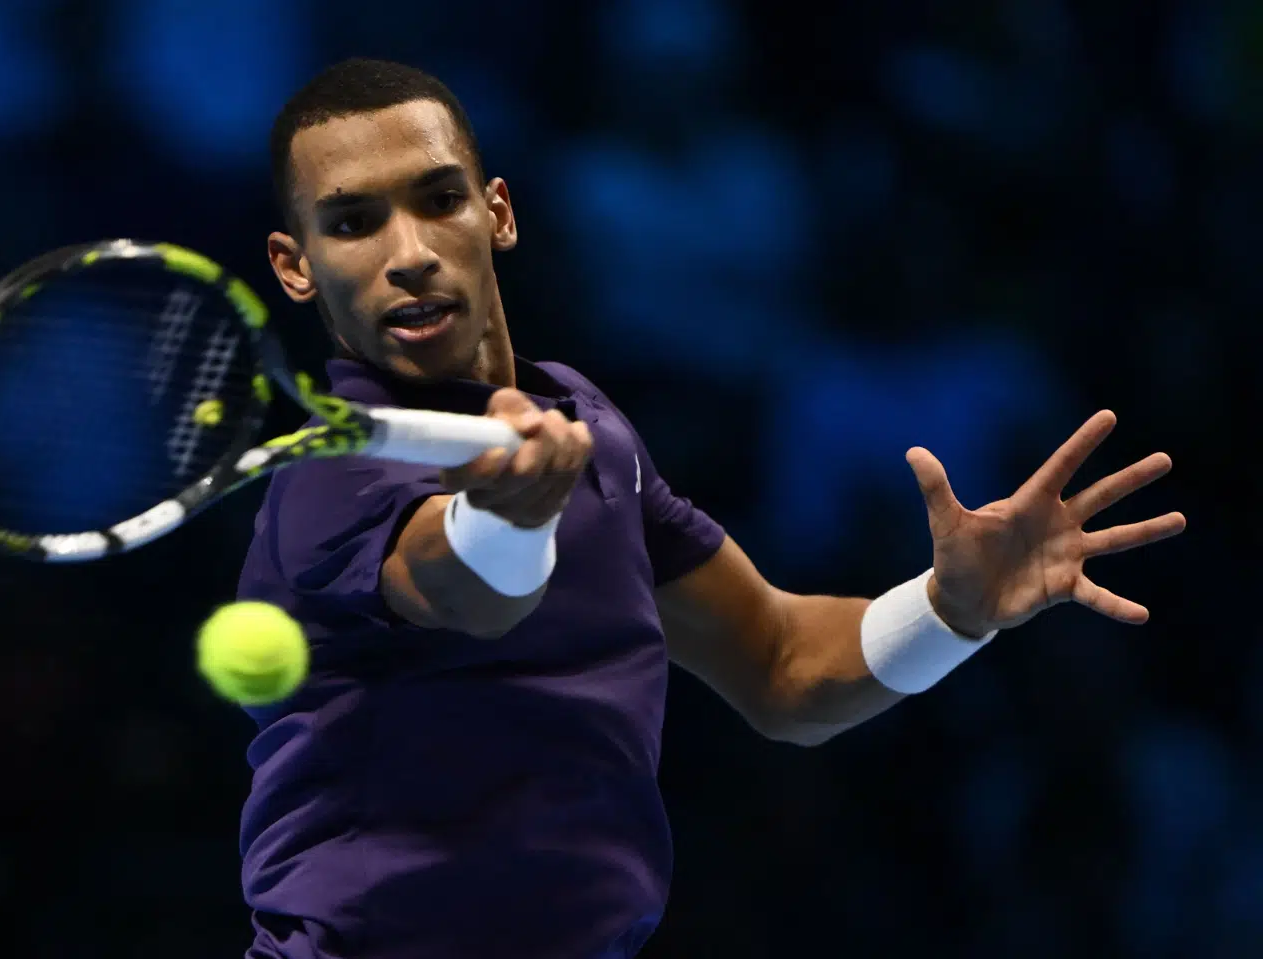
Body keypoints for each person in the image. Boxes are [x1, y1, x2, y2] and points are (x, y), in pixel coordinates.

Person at [235, 57, 1186, 959]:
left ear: (499, 213)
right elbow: (473, 596)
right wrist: (510, 517)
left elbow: (779, 664)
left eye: (439, 200)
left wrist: (948, 611)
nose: (408, 253)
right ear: (296, 264)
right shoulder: (333, 470)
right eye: (353, 222)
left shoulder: (590, 424)